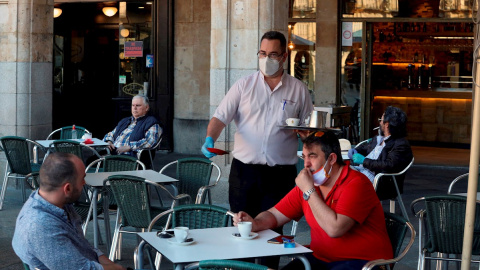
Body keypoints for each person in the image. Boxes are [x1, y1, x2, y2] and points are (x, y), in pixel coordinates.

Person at [233, 131, 393, 270]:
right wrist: (255, 223)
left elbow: (335, 230)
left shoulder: (356, 183)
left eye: (312, 156)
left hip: (363, 263)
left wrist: (309, 191)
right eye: (304, 157)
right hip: (320, 259)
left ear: (331, 159)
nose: (306, 164)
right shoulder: (311, 182)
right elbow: (275, 215)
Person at [201, 30, 313, 222]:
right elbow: (220, 118)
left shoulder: (299, 90)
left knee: (273, 231)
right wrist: (210, 138)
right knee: (241, 226)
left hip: (280, 175)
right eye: (262, 53)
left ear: (284, 57)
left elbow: (309, 130)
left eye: (272, 54)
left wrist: (306, 137)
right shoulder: (244, 85)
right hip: (244, 173)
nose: (266, 58)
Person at [12, 152, 126, 270]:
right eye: (82, 179)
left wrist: (113, 266)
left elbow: (84, 247)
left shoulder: (60, 204)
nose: (84, 183)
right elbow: (84, 268)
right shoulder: (41, 225)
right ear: (68, 188)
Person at [349, 106, 413, 185]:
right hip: (362, 172)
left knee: (342, 179)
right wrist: (355, 151)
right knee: (339, 172)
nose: (380, 123)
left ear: (386, 124)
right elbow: (364, 147)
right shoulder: (379, 138)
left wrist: (364, 161)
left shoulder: (400, 144)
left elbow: (388, 165)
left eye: (381, 120)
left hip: (379, 180)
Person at [103, 95, 161, 164]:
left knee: (98, 163)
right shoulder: (125, 121)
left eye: (138, 105)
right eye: (133, 105)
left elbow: (150, 142)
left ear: (146, 107)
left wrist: (130, 147)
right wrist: (109, 141)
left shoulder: (152, 122)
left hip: (130, 158)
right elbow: (111, 134)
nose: (135, 108)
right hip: (112, 154)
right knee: (91, 160)